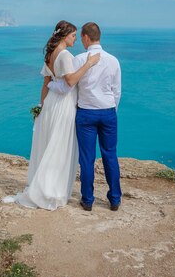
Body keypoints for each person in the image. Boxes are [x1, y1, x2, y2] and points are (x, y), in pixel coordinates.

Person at [3, 20, 100, 210]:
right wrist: (88, 64)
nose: (75, 39)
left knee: (50, 143)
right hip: (64, 105)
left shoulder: (49, 54)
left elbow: (46, 83)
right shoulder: (64, 55)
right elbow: (71, 81)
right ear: (65, 35)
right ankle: (52, 190)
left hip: (51, 103)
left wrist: (41, 106)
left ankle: (46, 185)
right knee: (60, 146)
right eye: (73, 35)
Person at [48, 22, 122, 211]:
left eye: (81, 37)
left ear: (86, 37)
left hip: (86, 113)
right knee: (110, 156)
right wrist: (111, 110)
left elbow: (70, 86)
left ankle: (87, 200)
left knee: (87, 158)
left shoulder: (79, 59)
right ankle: (114, 199)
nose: (80, 40)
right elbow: (117, 91)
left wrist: (50, 87)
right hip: (107, 112)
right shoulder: (113, 60)